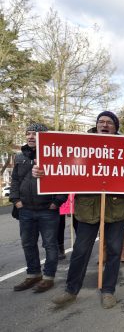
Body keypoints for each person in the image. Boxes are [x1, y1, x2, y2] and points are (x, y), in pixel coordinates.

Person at [49, 111, 124, 308]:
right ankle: (71, 290)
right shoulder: (81, 145)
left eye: (109, 122)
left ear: (115, 127)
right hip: (87, 210)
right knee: (80, 250)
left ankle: (109, 290)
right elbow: (61, 168)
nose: (104, 125)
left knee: (113, 251)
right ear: (96, 125)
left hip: (115, 209)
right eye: (100, 121)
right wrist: (41, 171)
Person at [10, 123, 67, 293]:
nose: (30, 137)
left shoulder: (55, 156)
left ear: (44, 136)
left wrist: (56, 202)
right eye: (28, 133)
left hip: (47, 210)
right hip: (25, 209)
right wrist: (15, 200)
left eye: (34, 134)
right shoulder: (19, 157)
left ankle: (48, 277)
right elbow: (15, 181)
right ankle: (33, 274)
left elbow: (64, 180)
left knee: (50, 244)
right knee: (28, 243)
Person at [58, 193, 75, 260]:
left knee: (78, 225)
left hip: (75, 197)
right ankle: (60, 248)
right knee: (59, 226)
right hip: (60, 196)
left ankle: (79, 249)